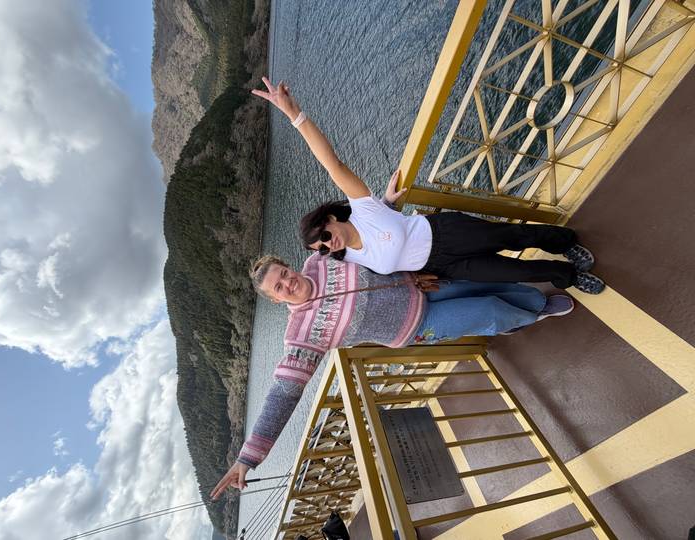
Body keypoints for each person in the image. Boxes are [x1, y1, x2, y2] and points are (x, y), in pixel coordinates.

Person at [210, 253, 574, 499]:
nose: (289, 283)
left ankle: (531, 302)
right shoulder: (302, 333)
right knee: (490, 311)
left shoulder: (319, 261)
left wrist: (385, 203)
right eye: (279, 287)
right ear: (275, 300)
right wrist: (248, 458)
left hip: (421, 283)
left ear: (290, 266)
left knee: (488, 287)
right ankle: (532, 314)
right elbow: (284, 392)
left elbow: (360, 241)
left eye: (285, 274)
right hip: (419, 325)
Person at [251, 77, 606, 295]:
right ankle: (568, 276)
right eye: (323, 249)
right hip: (444, 266)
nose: (330, 246)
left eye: (325, 237)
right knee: (516, 273)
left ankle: (567, 243)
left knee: (515, 237)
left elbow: (331, 163)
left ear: (328, 219)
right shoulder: (349, 260)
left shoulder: (362, 207)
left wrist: (295, 116)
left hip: (447, 233)